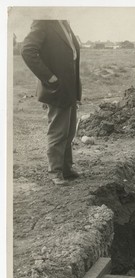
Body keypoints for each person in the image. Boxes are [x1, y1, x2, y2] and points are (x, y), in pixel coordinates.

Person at [21, 20, 82, 186]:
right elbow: (27, 51)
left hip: (69, 88)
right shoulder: (43, 21)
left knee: (69, 131)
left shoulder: (65, 22)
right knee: (58, 131)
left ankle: (66, 168)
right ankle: (55, 172)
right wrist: (49, 78)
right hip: (56, 88)